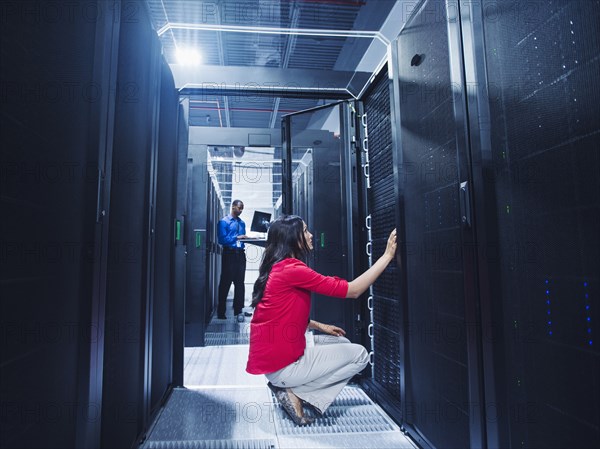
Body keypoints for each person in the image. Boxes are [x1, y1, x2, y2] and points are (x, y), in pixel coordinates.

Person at [246, 215, 397, 425]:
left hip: (274, 360)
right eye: (305, 231)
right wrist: (387, 256)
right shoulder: (292, 270)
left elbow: (280, 314)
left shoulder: (276, 267)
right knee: (360, 355)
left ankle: (292, 388)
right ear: (293, 238)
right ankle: (297, 392)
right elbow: (353, 291)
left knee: (343, 344)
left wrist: (318, 325)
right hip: (282, 366)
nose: (311, 235)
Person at [217, 200, 248, 322]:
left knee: (240, 283)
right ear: (233, 207)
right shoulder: (224, 222)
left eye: (242, 209)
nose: (240, 211)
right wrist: (237, 237)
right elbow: (222, 239)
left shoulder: (242, 223)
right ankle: (221, 311)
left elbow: (242, 239)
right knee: (225, 283)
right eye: (239, 208)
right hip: (229, 254)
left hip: (240, 255)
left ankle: (238, 311)